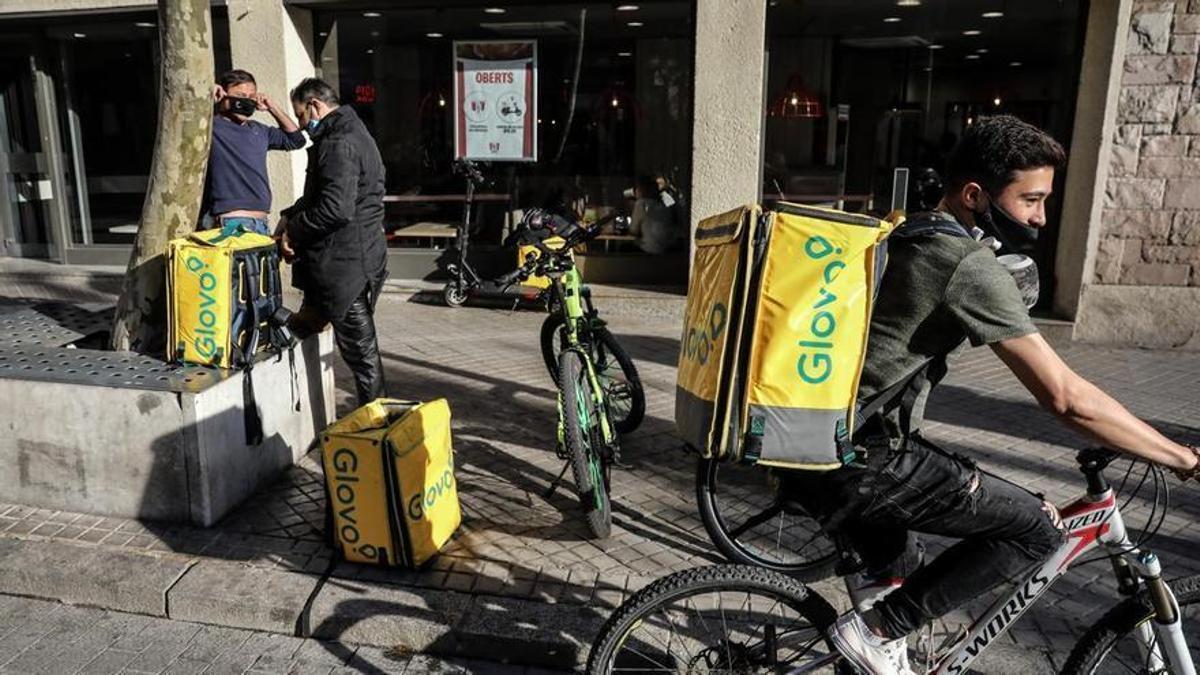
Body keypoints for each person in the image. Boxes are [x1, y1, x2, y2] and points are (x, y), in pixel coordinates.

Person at [778, 115, 1200, 675]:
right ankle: (878, 631)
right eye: (1031, 200)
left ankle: (875, 649)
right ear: (976, 195)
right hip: (863, 459)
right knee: (1037, 531)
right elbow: (1066, 397)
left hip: (817, 443)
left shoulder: (912, 229)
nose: (1041, 218)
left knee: (905, 558)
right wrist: (1183, 459)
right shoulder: (964, 263)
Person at [278, 78, 388, 406]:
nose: (301, 124)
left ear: (314, 105)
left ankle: (377, 426)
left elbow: (334, 209)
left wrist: (292, 232)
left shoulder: (339, 142)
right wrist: (290, 213)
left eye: (300, 115)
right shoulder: (350, 133)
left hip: (345, 268)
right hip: (344, 262)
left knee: (362, 356)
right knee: (307, 325)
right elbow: (322, 194)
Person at [204, 69, 307, 235]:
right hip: (230, 222)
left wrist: (272, 106)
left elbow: (296, 140)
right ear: (223, 94)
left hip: (261, 222)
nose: (246, 102)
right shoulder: (211, 127)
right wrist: (207, 97)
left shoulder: (259, 130)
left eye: (251, 97)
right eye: (240, 95)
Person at [627, 175, 674, 255]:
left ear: (641, 189)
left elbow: (633, 230)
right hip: (666, 250)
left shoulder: (641, 204)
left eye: (636, 189)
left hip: (649, 250)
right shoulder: (664, 204)